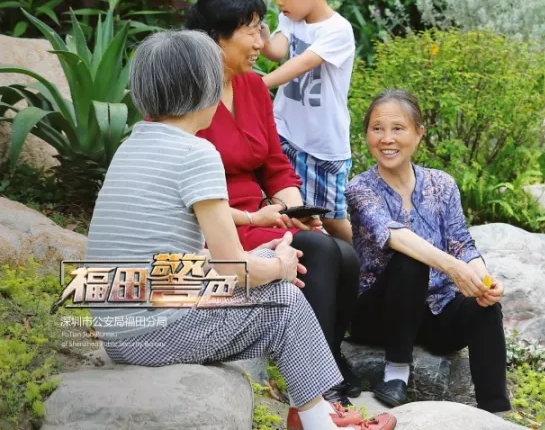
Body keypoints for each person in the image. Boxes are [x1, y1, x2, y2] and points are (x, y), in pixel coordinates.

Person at [84, 30, 395, 430]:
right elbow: (233, 269)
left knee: (266, 258)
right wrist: (280, 266)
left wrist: (264, 249)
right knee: (284, 300)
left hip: (123, 321)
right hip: (150, 332)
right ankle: (318, 421)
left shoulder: (132, 144)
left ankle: (311, 410)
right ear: (204, 88)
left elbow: (179, 258)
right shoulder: (197, 153)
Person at [184, 0, 364, 406]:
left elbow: (274, 165)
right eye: (250, 31)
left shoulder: (252, 88)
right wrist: (261, 217)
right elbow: (185, 188)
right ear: (216, 37)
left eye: (261, 28)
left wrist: (293, 208)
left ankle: (327, 358)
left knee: (346, 255)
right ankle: (316, 387)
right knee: (318, 251)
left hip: (263, 215)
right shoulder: (187, 94)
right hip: (217, 223)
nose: (261, 43)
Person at [344, 89, 510, 415]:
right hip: (379, 315)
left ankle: (495, 412)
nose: (386, 139)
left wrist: (483, 282)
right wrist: (452, 267)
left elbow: (462, 244)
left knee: (485, 308)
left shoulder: (441, 184)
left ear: (419, 133)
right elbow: (393, 235)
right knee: (411, 259)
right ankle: (396, 372)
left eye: (398, 128)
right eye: (377, 129)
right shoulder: (360, 189)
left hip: (434, 313)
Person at [257, 0, 357, 244]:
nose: (278, 2)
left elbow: (301, 64)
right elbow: (277, 52)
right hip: (285, 133)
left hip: (322, 146)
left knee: (332, 218)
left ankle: (369, 262)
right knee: (290, 211)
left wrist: (256, 86)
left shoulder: (338, 30)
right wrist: (260, 32)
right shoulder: (290, 19)